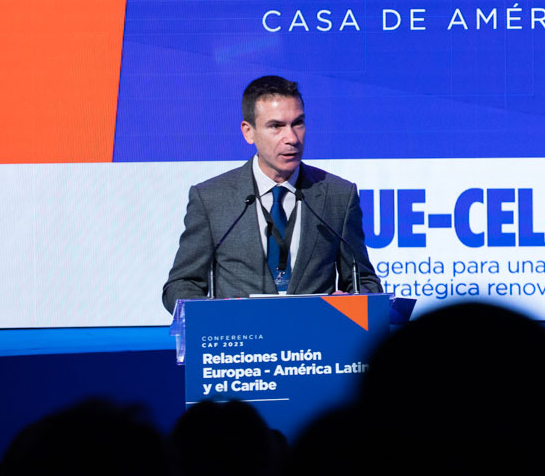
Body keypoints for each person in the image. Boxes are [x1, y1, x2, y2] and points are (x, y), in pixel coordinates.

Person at [162, 76, 381, 311]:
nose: (292, 138)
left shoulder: (338, 195)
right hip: (242, 342)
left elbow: (364, 281)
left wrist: (355, 301)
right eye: (276, 126)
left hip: (315, 341)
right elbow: (181, 285)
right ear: (249, 132)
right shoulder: (211, 198)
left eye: (298, 123)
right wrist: (212, 316)